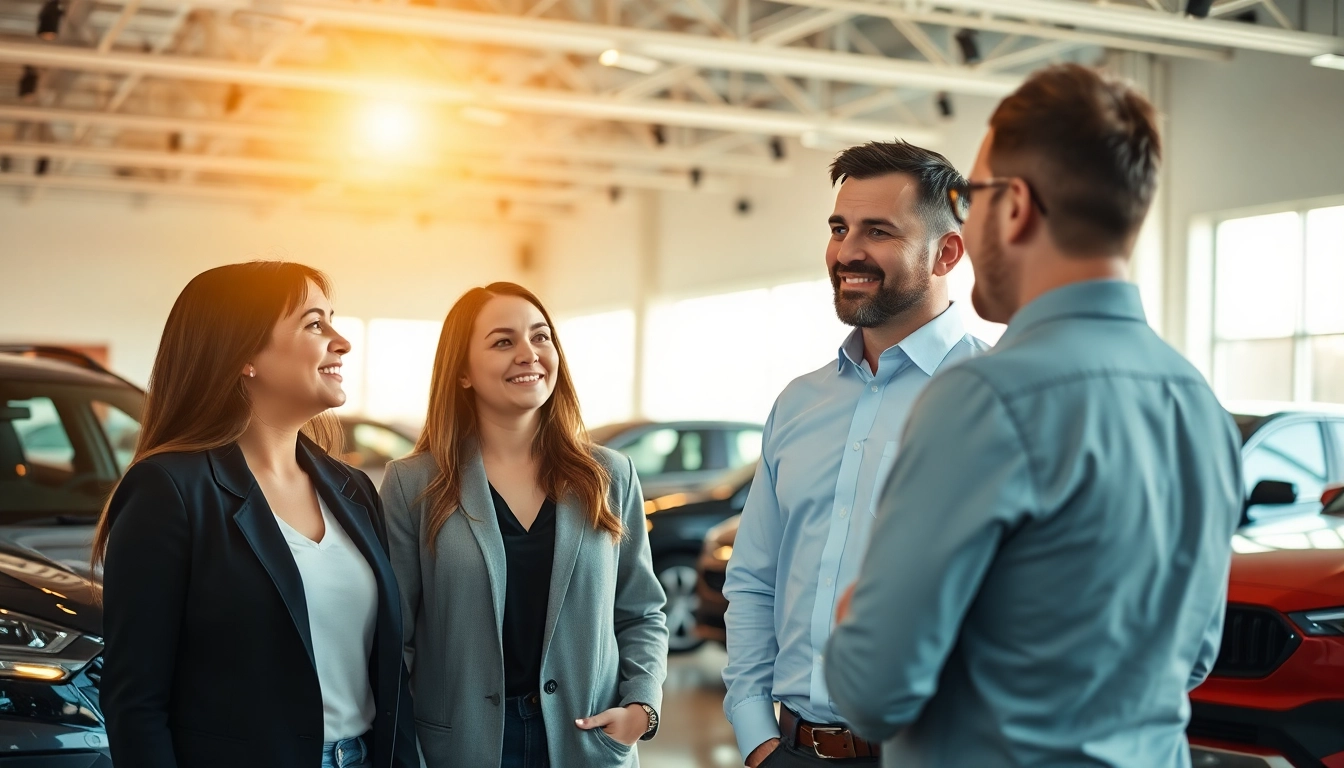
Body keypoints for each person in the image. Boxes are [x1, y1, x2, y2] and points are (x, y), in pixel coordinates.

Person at [824, 63, 1243, 768]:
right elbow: (1192, 656)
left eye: (970, 194)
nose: (965, 214)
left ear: (1014, 206)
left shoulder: (984, 398)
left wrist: (854, 616)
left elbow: (872, 690)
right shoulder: (1198, 402)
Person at [722, 141, 988, 767]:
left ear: (946, 251)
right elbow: (756, 579)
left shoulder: (1000, 398)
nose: (847, 252)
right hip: (790, 748)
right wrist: (757, 738)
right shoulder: (798, 404)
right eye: (840, 228)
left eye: (879, 232)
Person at [96, 261, 417, 768]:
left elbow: (386, 668)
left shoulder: (352, 489)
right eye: (315, 324)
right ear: (244, 354)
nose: (342, 341)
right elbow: (136, 703)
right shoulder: (170, 490)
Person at [381, 282, 668, 768]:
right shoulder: (414, 485)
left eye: (541, 337)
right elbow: (395, 640)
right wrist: (406, 749)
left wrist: (643, 707)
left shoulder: (609, 476)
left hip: (587, 741)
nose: (528, 354)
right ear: (463, 372)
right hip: (460, 748)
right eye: (502, 341)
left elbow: (641, 610)